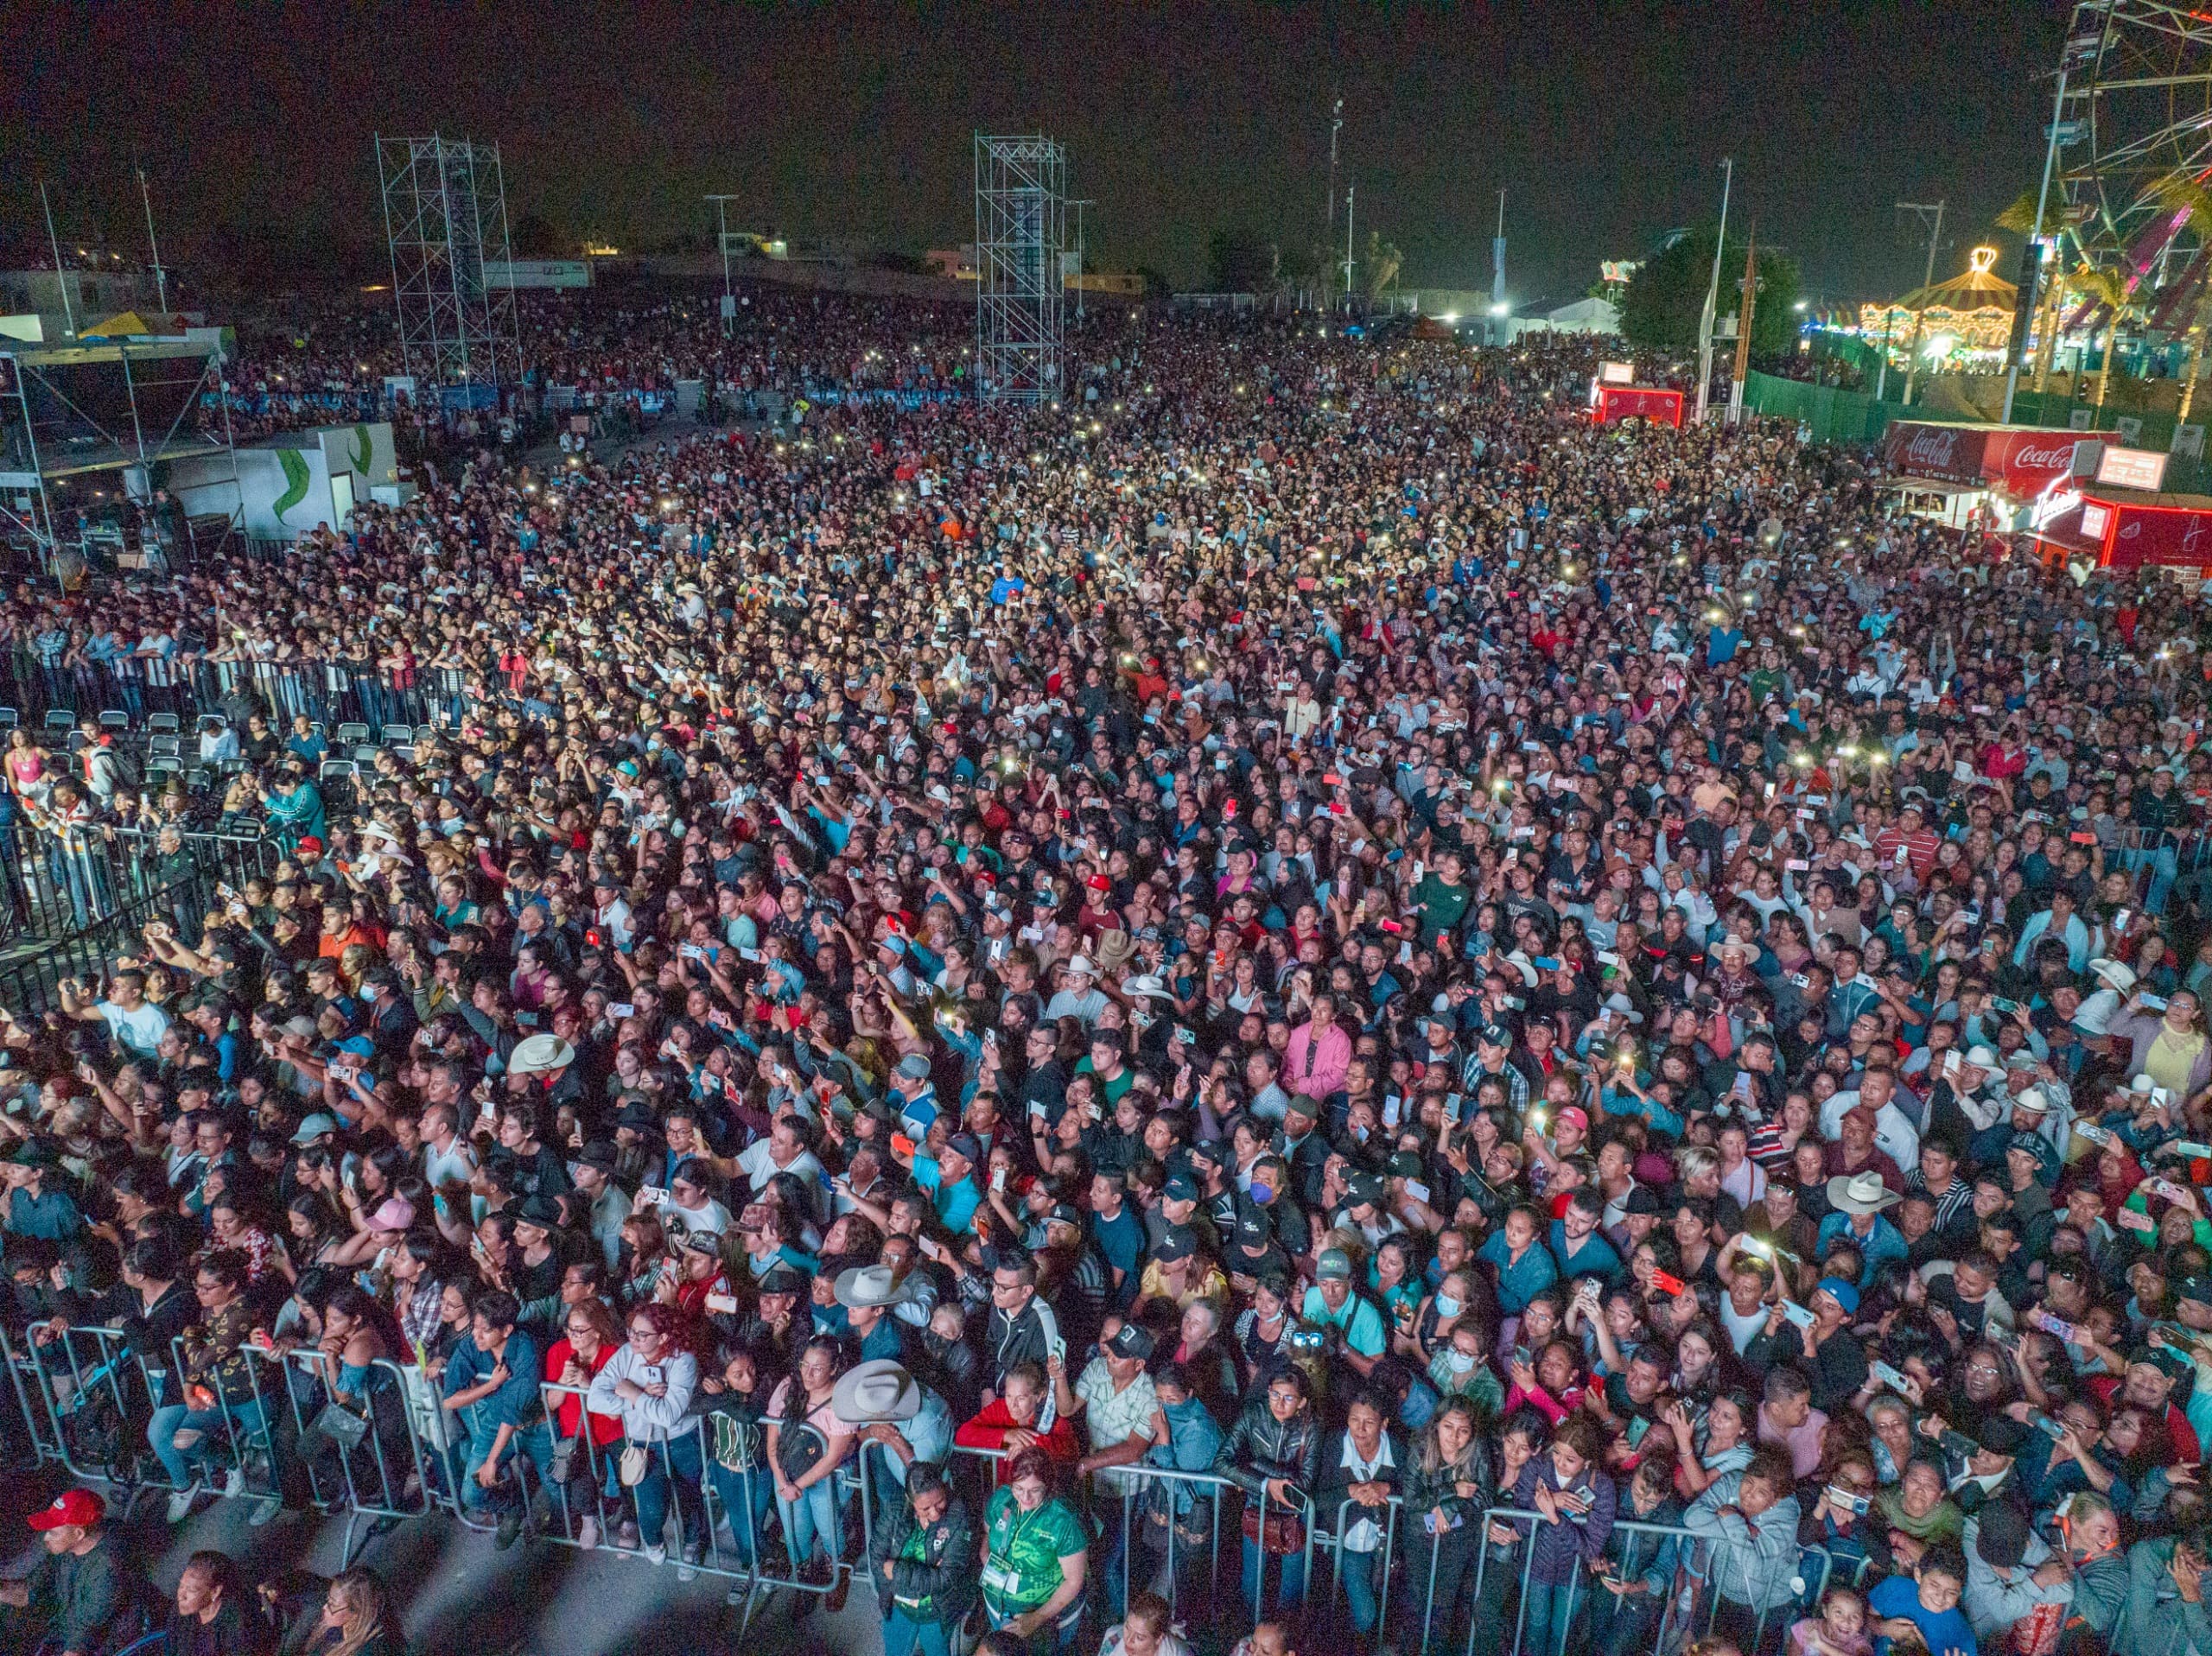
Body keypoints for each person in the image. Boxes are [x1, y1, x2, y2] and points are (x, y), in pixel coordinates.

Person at [981, 1447, 1090, 1654]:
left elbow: (1074, 1581)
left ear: (1048, 1486)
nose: (1025, 1497)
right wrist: (985, 1554)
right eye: (1019, 1488)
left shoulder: (1062, 1520)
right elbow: (988, 1532)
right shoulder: (1000, 1500)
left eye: (1035, 1490)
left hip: (1044, 1618)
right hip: (998, 1606)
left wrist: (1037, 1618)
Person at [0, 1488, 133, 1656]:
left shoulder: (108, 1569)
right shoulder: (68, 1549)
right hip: (68, 1622)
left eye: (53, 1533)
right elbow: (32, 1589)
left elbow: (83, 1640)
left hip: (106, 1640)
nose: (46, 1538)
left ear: (79, 1533)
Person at [868, 1459, 980, 1656]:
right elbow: (877, 1560)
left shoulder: (959, 1517)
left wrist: (897, 1570)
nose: (935, 1513)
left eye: (939, 1502)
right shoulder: (894, 1510)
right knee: (894, 1652)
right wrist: (929, 1572)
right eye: (925, 1508)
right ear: (910, 1500)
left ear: (944, 1487)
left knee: (936, 1651)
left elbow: (945, 1579)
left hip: (937, 1609)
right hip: (897, 1604)